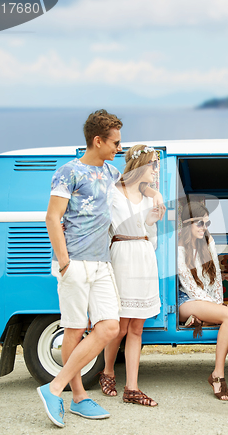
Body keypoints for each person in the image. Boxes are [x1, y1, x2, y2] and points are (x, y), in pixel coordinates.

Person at [40, 109, 124, 427]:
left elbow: (134, 189)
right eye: (115, 142)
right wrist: (64, 263)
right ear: (97, 140)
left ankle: (53, 387)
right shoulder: (68, 172)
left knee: (109, 327)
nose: (119, 147)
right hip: (75, 263)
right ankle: (77, 398)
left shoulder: (113, 173)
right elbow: (52, 217)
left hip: (101, 263)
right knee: (74, 330)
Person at [99, 145, 162, 407]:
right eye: (154, 165)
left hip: (145, 257)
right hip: (122, 257)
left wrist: (152, 217)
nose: (157, 171)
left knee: (137, 327)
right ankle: (108, 371)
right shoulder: (112, 193)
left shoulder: (150, 198)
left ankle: (132, 388)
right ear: (141, 166)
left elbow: (153, 238)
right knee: (120, 326)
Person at [178, 202, 228, 401]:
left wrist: (217, 304)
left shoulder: (208, 243)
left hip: (206, 301)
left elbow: (217, 278)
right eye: (199, 223)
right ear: (187, 224)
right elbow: (189, 285)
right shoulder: (178, 248)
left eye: (207, 223)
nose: (204, 227)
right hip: (187, 300)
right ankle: (217, 375)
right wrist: (218, 309)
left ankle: (204, 319)